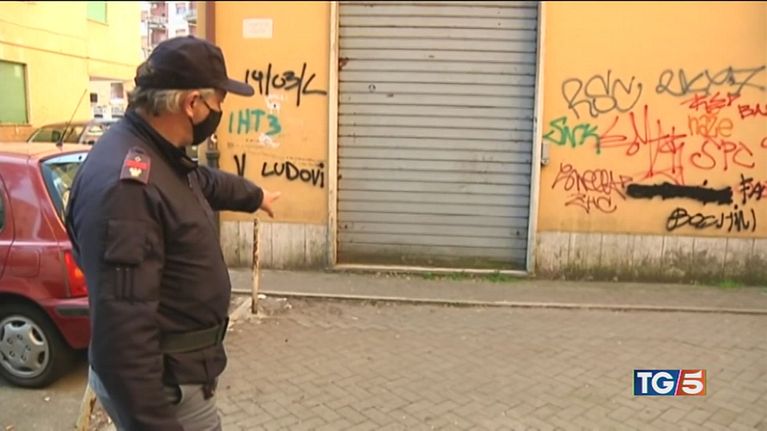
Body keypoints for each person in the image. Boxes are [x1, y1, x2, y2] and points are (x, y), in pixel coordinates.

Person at [65, 36, 280, 430]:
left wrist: (255, 196)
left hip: (183, 373)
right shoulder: (129, 191)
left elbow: (202, 182)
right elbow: (123, 340)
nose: (220, 112)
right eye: (219, 102)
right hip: (168, 389)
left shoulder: (155, 154)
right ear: (192, 103)